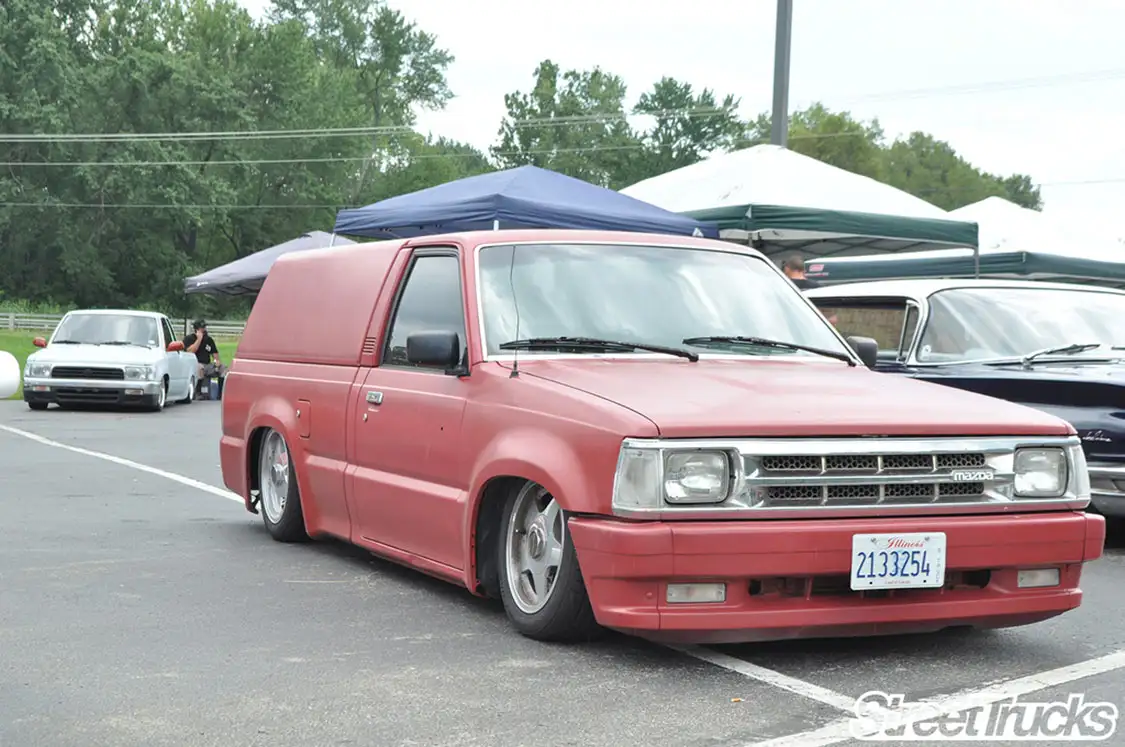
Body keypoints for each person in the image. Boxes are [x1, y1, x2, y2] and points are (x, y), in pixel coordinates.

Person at [183, 319, 225, 397]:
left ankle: (221, 394)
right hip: (195, 365)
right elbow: (190, 352)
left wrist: (217, 362)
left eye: (205, 327)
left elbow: (215, 354)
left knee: (223, 368)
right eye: (202, 328)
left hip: (207, 365)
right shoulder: (189, 339)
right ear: (196, 329)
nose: (204, 329)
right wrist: (199, 339)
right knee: (200, 367)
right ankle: (198, 393)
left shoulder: (209, 340)